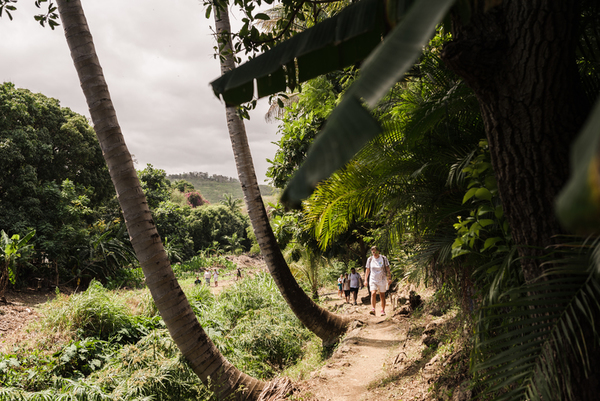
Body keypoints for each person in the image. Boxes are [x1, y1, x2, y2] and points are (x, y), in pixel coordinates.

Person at [365, 246, 391, 316]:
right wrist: (365, 280)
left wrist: (390, 278)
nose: (375, 254)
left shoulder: (383, 258)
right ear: (371, 252)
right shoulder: (370, 259)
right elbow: (367, 270)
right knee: (373, 293)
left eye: (376, 252)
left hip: (382, 279)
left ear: (379, 251)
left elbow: (387, 268)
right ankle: (373, 309)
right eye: (373, 252)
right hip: (373, 279)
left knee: (382, 295)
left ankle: (382, 310)